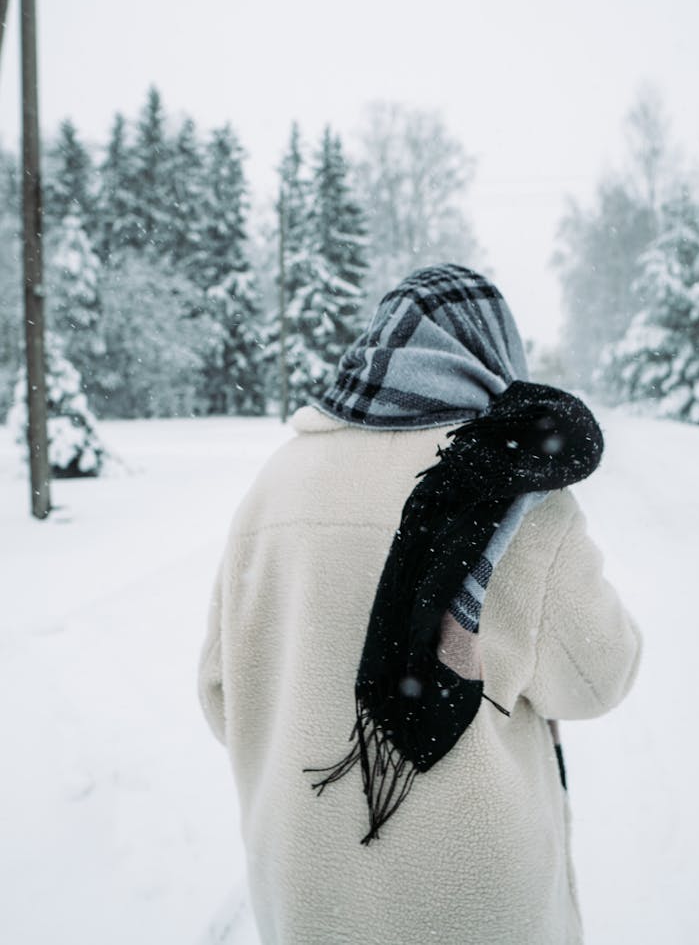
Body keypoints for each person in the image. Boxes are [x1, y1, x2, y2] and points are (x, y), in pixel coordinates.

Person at [197, 263, 643, 945]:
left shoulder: (274, 485)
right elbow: (599, 676)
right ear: (491, 355)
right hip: (471, 904)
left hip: (308, 897)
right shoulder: (513, 493)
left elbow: (222, 693)